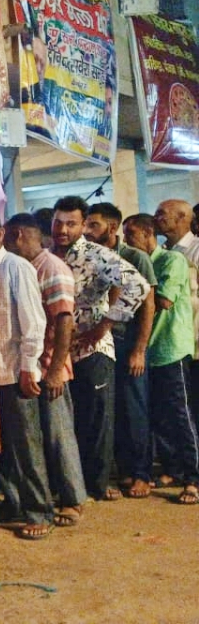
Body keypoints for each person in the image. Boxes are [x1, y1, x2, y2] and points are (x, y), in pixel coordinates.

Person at [52, 196, 148, 503]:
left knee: (97, 420)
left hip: (93, 349)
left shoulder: (97, 255)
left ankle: (97, 483)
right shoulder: (46, 256)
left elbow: (139, 287)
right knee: (69, 419)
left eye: (70, 223)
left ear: (82, 225)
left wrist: (105, 324)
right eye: (58, 222)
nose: (62, 229)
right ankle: (69, 484)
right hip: (57, 353)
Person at [0, 210, 52, 540]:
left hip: (16, 372)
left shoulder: (17, 268)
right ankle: (13, 504)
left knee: (27, 445)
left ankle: (39, 511)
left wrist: (30, 366)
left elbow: (33, 321)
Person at [3, 213, 88, 528]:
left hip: (50, 366)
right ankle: (48, 496)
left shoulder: (50, 267)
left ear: (19, 234)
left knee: (58, 435)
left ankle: (72, 499)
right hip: (32, 367)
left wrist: (54, 370)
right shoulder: (26, 268)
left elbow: (65, 320)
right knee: (35, 438)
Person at [124, 213, 199, 505]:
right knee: (158, 416)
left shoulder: (172, 261)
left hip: (170, 348)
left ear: (146, 234)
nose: (128, 241)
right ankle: (172, 468)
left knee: (181, 416)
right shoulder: (140, 263)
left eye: (131, 235)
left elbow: (163, 301)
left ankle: (193, 478)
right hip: (149, 352)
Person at [84, 202, 156, 499]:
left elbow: (148, 304)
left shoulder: (133, 256)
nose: (87, 231)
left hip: (127, 341)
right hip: (103, 344)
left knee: (134, 408)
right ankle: (122, 470)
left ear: (112, 228)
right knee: (110, 409)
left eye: (94, 226)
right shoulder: (90, 257)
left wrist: (139, 349)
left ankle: (142, 473)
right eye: (86, 225)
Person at [155, 199, 199, 466]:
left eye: (163, 214)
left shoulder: (195, 250)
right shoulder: (163, 252)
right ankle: (177, 464)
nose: (157, 217)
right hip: (172, 340)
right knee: (172, 408)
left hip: (193, 337)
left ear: (183, 217)